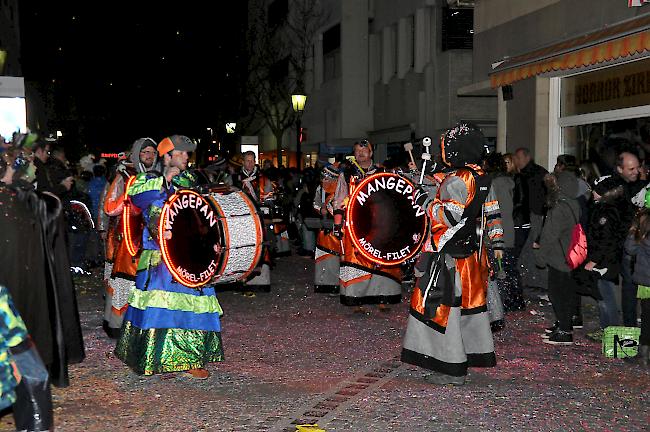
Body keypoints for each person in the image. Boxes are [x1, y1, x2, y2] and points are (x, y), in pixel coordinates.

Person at [115, 135, 224, 379]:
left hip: (190, 255)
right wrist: (166, 181)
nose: (187, 157)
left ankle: (191, 358)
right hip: (159, 256)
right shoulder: (147, 180)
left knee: (193, 305)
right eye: (182, 153)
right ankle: (151, 356)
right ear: (168, 156)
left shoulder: (191, 180)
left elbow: (202, 213)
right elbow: (137, 199)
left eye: (188, 153)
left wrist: (213, 241)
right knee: (160, 305)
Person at [401, 123, 502, 385]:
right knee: (467, 308)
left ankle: (450, 367)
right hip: (472, 257)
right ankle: (470, 355)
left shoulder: (457, 179)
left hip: (447, 255)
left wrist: (425, 202)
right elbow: (492, 215)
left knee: (440, 310)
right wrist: (498, 246)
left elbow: (449, 216)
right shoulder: (481, 176)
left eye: (445, 145)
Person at [334, 139, 401, 313]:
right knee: (357, 260)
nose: (360, 154)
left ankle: (382, 297)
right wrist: (337, 223)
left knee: (380, 261)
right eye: (357, 151)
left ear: (371, 153)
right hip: (355, 224)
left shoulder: (382, 172)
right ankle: (356, 299)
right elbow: (340, 199)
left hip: (380, 224)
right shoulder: (347, 174)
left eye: (364, 151)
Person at [101, 138, 158, 338]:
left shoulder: (159, 176)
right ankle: (119, 325)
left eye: (152, 152)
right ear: (137, 155)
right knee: (126, 282)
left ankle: (146, 326)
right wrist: (129, 197)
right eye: (145, 153)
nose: (149, 156)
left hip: (153, 241)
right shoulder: (124, 177)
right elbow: (109, 207)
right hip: (128, 240)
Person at [535, 171, 581, 345]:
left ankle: (565, 330)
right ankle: (563, 323)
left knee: (557, 294)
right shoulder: (573, 203)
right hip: (569, 255)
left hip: (559, 257)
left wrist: (540, 257)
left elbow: (549, 235)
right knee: (566, 293)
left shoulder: (559, 207)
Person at [580, 176, 626, 341]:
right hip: (603, 259)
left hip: (605, 262)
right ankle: (606, 329)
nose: (592, 192)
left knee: (606, 297)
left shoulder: (607, 211)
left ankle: (611, 332)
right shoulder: (601, 207)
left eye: (596, 189)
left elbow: (606, 239)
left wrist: (594, 260)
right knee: (601, 296)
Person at [483, 152, 524, 311]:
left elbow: (501, 210)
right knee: (507, 267)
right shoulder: (503, 181)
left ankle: (508, 303)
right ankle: (513, 301)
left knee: (502, 268)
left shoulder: (497, 183)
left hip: (501, 230)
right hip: (504, 229)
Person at [613, 151, 648, 328]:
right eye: (631, 168)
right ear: (620, 169)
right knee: (629, 293)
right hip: (629, 248)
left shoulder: (642, 186)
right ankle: (630, 332)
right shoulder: (615, 188)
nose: (636, 171)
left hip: (642, 247)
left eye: (637, 167)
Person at [233, 151, 273, 292]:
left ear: (255, 161)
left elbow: (270, 199)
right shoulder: (235, 179)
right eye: (247, 160)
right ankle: (242, 280)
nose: (250, 163)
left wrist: (265, 203)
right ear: (243, 162)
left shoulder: (263, 179)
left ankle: (260, 281)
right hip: (241, 220)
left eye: (252, 160)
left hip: (258, 219)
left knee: (261, 248)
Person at [513, 147, 548, 293]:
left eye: (518, 158)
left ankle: (537, 282)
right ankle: (532, 280)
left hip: (535, 215)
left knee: (533, 247)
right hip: (532, 215)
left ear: (527, 157)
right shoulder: (535, 172)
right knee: (529, 249)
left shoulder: (533, 173)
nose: (517, 161)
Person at [624, 207, 650, 368]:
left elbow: (629, 248)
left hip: (646, 285)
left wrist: (633, 230)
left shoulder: (641, 240)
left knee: (647, 320)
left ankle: (646, 353)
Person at [312, 164, 341, 294]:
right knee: (325, 258)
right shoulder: (320, 189)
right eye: (322, 178)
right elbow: (315, 203)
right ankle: (326, 284)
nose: (323, 181)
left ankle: (339, 284)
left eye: (326, 178)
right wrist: (320, 209)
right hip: (324, 230)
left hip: (338, 231)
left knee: (338, 259)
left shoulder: (341, 189)